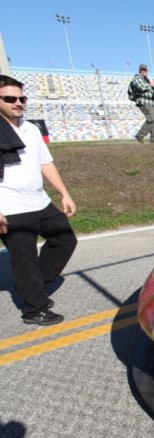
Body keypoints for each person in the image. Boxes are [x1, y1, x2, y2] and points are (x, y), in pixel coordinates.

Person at [0, 74, 77, 325]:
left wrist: (64, 193)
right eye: (10, 98)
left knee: (65, 239)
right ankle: (35, 310)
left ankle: (33, 288)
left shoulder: (31, 129)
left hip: (40, 202)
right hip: (10, 207)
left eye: (22, 98)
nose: (18, 103)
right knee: (25, 259)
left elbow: (46, 163)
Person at [132, 64, 154, 143]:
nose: (144, 71)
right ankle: (140, 135)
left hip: (152, 102)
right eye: (142, 70)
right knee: (151, 119)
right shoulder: (137, 78)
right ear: (140, 70)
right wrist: (153, 83)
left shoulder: (147, 80)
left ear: (147, 71)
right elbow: (143, 87)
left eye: (145, 70)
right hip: (144, 101)